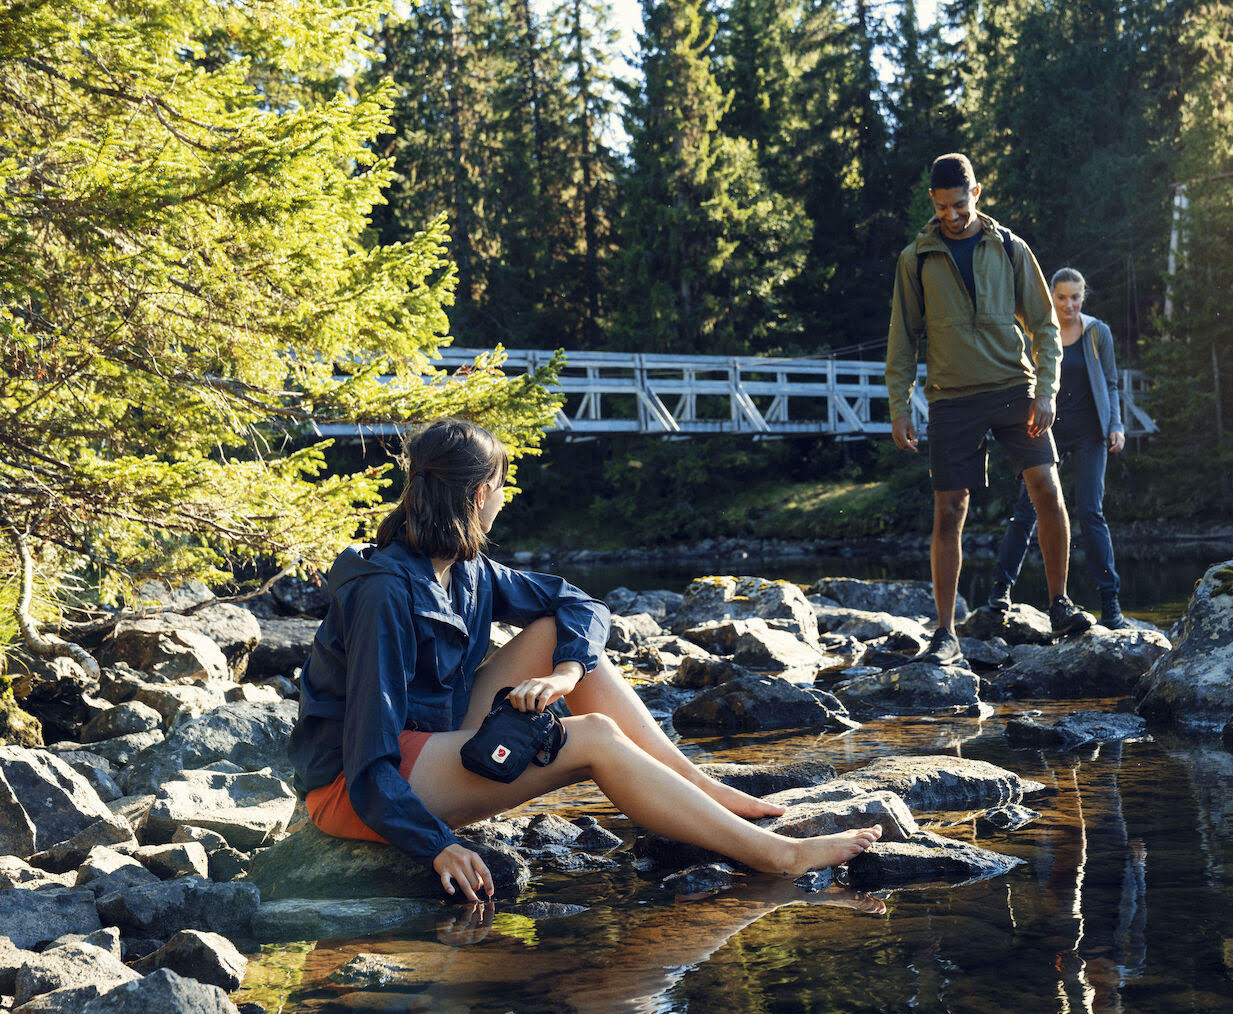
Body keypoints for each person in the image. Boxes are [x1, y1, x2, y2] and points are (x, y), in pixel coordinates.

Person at [288, 419, 881, 899]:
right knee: (594, 737)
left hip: (428, 737)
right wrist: (436, 843)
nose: (504, 498)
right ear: (477, 495)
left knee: (557, 633)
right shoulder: (383, 591)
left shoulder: (465, 569)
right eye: (500, 485)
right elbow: (368, 759)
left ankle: (702, 787)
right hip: (358, 785)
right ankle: (778, 856)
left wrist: (567, 670)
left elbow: (578, 602)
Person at [886, 153, 1093, 666]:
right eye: (942, 208)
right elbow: (902, 339)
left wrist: (1045, 391)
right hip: (952, 398)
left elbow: (1044, 326)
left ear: (975, 194)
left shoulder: (1009, 247)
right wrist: (898, 406)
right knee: (950, 510)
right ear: (932, 203)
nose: (952, 216)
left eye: (959, 205)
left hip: (1012, 388)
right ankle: (944, 632)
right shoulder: (916, 258)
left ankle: (1060, 605)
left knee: (1046, 488)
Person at [990, 268, 1127, 628]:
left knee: (1090, 511)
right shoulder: (1037, 330)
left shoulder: (1098, 333)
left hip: (1089, 435)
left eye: (1075, 297)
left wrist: (1115, 425)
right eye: (1062, 297)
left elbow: (1111, 383)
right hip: (1042, 431)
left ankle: (1110, 604)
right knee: (1026, 511)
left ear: (1084, 297)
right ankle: (1000, 590)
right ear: (1051, 295)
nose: (1069, 304)